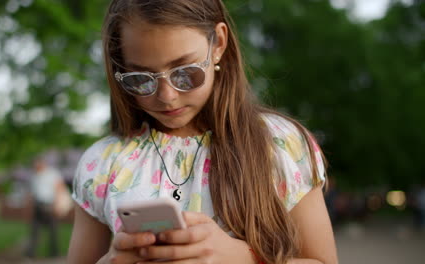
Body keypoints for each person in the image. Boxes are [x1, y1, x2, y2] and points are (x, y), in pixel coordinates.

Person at [68, 0, 338, 263]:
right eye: (141, 79)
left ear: (218, 43)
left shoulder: (280, 144)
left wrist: (243, 258)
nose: (167, 96)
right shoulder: (102, 163)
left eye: (185, 72)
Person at [26, 156, 64, 258]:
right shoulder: (35, 176)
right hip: (38, 205)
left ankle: (54, 253)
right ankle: (31, 252)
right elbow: (33, 193)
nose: (35, 167)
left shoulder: (52, 173)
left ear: (42, 163)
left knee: (53, 230)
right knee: (35, 230)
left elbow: (59, 189)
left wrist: (58, 205)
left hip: (50, 205)